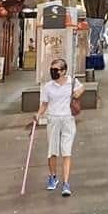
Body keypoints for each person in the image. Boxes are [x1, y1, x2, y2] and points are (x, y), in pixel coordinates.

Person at [33, 58, 84, 197]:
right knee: (52, 151)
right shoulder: (48, 86)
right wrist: (38, 115)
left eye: (56, 70)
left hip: (68, 119)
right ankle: (53, 176)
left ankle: (66, 183)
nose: (53, 72)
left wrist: (77, 93)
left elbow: (81, 88)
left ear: (63, 71)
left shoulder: (71, 82)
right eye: (52, 69)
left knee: (66, 151)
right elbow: (44, 104)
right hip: (53, 119)